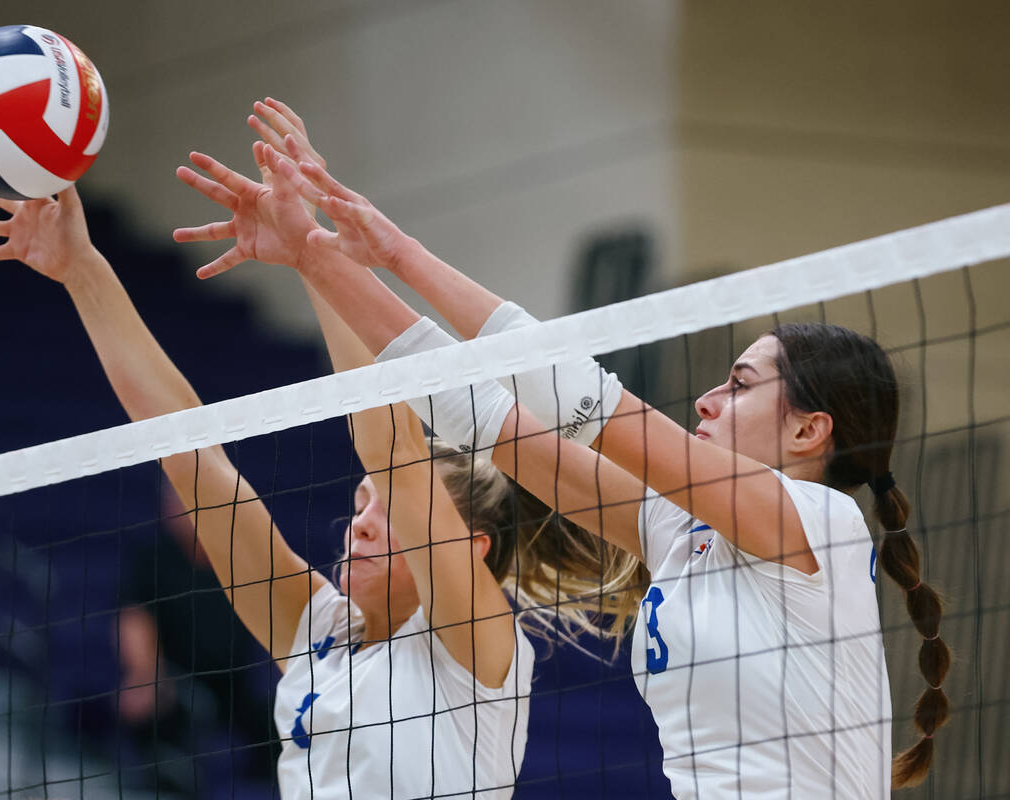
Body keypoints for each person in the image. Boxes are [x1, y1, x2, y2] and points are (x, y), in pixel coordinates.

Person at [180, 98, 950, 798]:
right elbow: (480, 416)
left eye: (741, 384)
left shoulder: (821, 522)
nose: (710, 399)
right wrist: (357, 251)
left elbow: (584, 398)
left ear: (810, 431)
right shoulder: (677, 531)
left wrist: (331, 252)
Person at [0, 148, 630, 797]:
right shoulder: (318, 635)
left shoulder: (477, 647)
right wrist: (83, 270)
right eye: (361, 504)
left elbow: (393, 452)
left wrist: (309, 253)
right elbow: (189, 453)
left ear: (469, 550)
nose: (359, 524)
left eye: (385, 509)